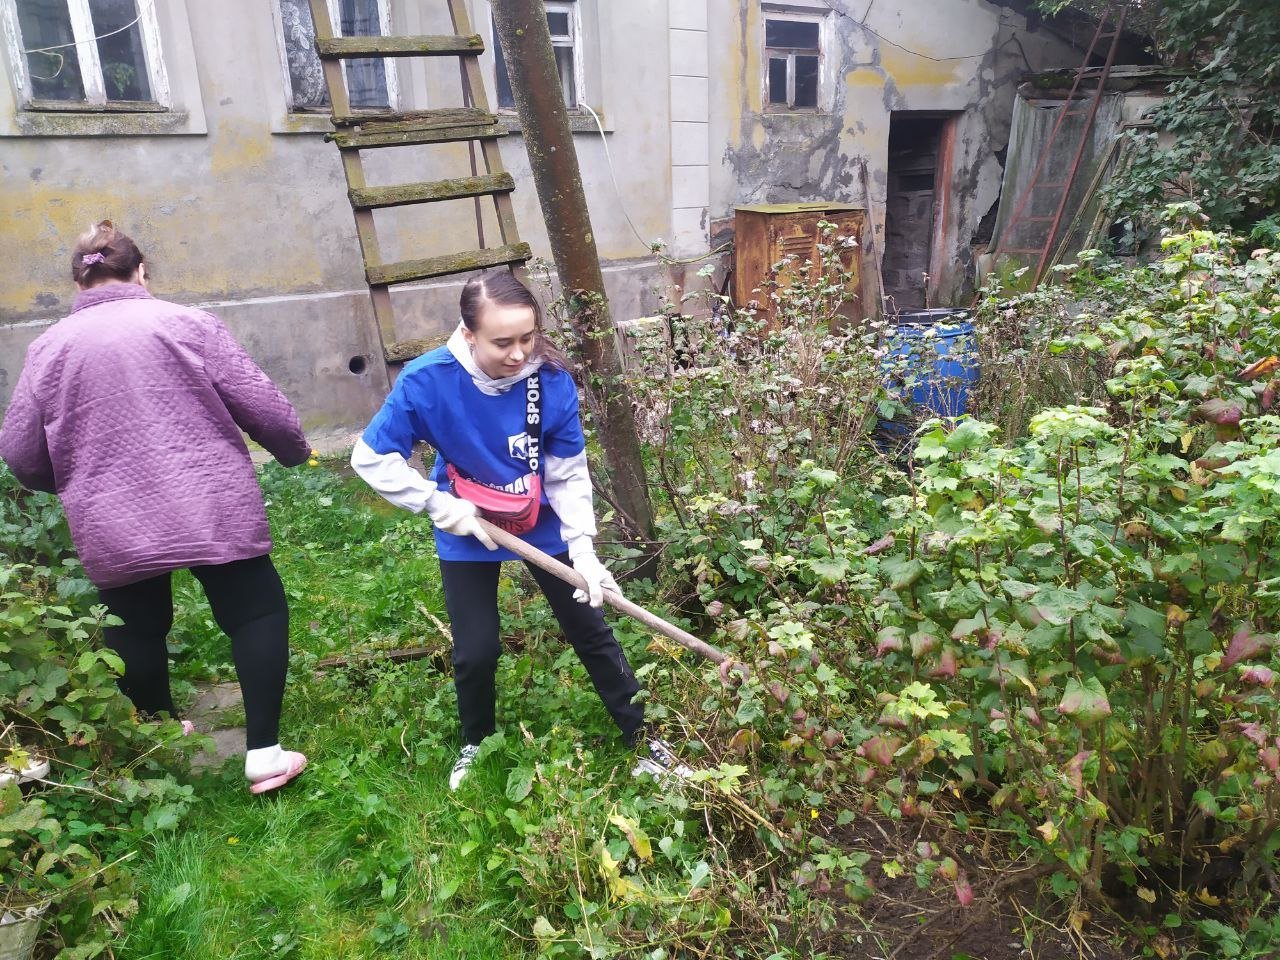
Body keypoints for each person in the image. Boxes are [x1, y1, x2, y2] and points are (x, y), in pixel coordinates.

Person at [0, 221, 309, 795]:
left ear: (78, 282)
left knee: (135, 626)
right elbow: (262, 405)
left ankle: (162, 741)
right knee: (254, 611)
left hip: (110, 512)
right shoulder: (189, 324)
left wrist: (63, 480)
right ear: (141, 272)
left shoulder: (47, 349)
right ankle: (265, 753)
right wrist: (293, 451)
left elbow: (20, 452)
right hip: (210, 496)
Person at [352, 270, 687, 789]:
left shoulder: (549, 379)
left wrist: (583, 548)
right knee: (476, 649)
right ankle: (475, 742)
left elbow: (567, 472)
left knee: (591, 629)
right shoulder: (427, 381)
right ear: (469, 335)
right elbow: (370, 457)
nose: (518, 354)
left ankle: (644, 739)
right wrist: (441, 507)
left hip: (541, 519)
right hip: (469, 520)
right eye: (502, 342)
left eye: (527, 338)